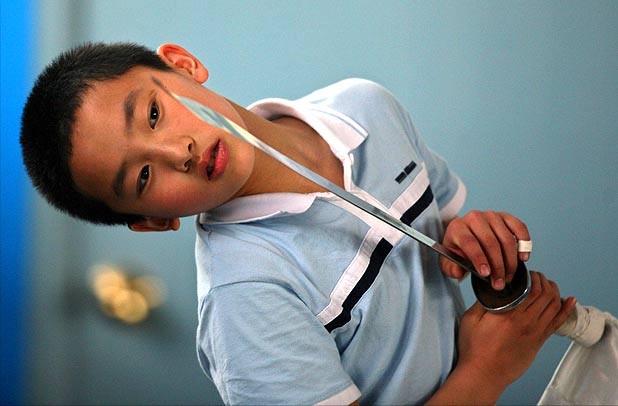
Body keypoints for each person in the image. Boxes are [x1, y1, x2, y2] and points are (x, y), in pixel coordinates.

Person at [20, 42, 576, 405]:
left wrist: (469, 240)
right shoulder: (243, 300)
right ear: (152, 220)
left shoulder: (364, 105)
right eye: (143, 177)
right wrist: (486, 373)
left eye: (153, 114)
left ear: (182, 64)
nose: (177, 151)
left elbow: (447, 226)